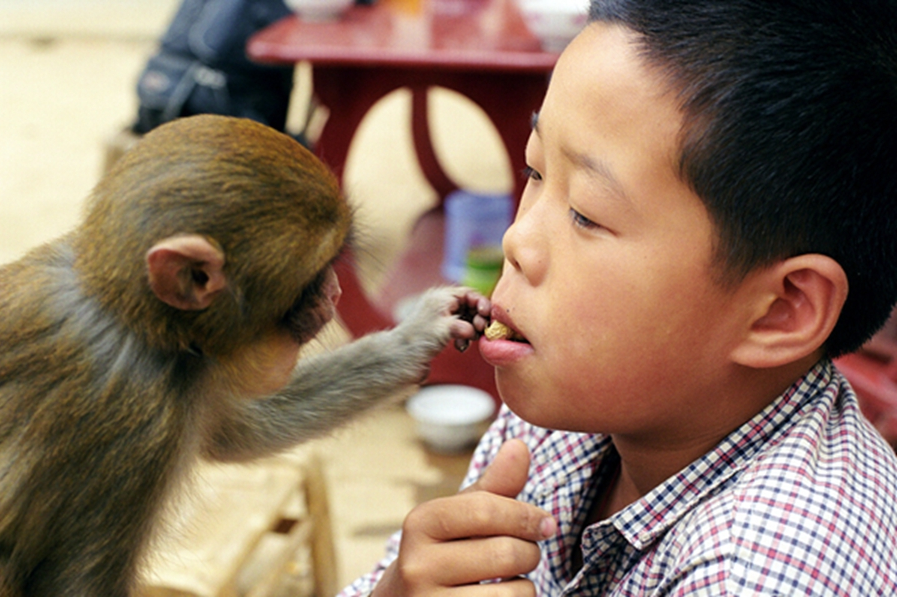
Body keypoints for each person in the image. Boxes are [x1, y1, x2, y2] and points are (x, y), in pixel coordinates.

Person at [340, 0, 897, 595]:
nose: (516, 239)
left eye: (585, 214)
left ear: (780, 311)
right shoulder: (564, 412)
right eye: (534, 174)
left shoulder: (764, 575)